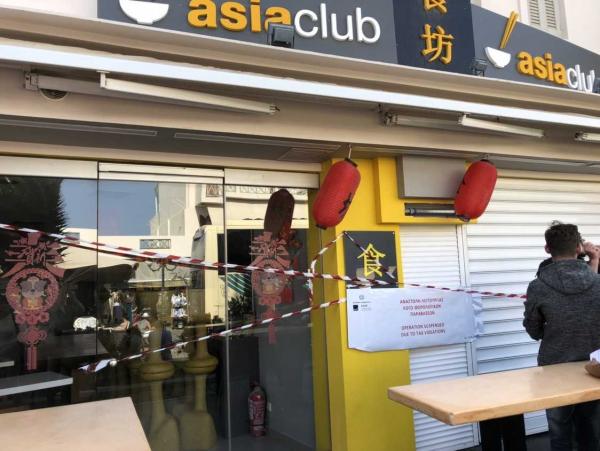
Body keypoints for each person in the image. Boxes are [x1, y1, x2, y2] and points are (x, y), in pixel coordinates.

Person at [524, 222, 600, 451]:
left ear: (548, 249)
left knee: (560, 433)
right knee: (591, 431)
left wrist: (552, 331)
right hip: (593, 366)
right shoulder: (597, 282)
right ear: (578, 248)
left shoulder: (537, 286)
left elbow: (533, 330)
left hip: (554, 367)